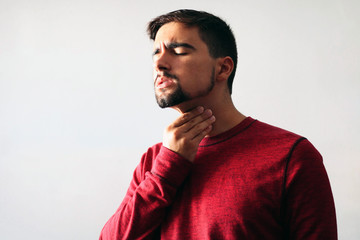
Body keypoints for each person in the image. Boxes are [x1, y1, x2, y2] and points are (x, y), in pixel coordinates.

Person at [99, 9, 337, 239]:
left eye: (179, 51)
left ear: (223, 68)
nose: (159, 63)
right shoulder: (154, 162)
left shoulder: (291, 156)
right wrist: (167, 169)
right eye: (155, 53)